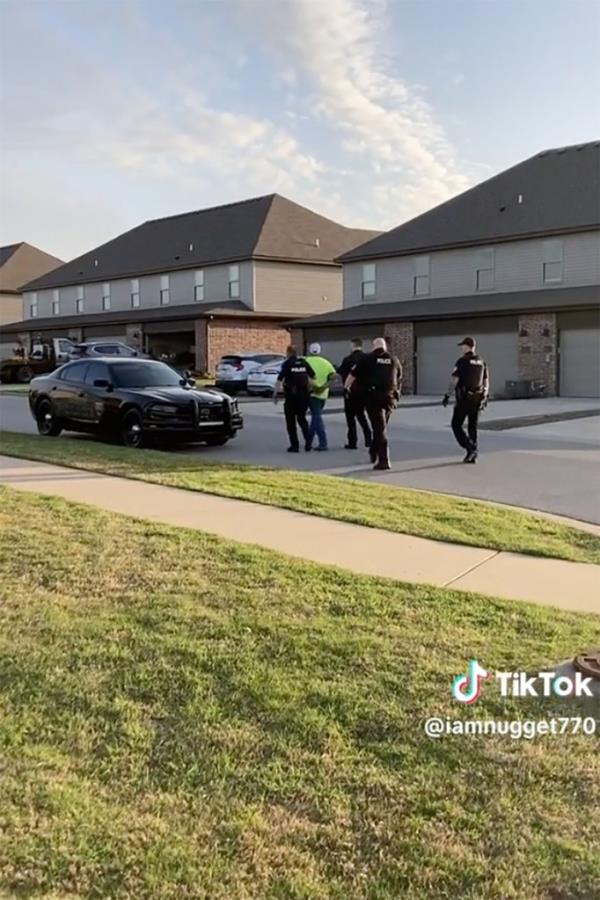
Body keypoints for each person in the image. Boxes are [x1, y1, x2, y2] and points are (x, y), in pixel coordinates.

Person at [345, 337, 402, 470]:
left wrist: (346, 388)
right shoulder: (394, 360)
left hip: (374, 398)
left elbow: (352, 375)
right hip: (389, 399)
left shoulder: (367, 359)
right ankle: (373, 450)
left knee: (379, 429)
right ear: (385, 347)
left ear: (373, 346)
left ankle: (384, 460)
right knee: (380, 427)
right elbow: (399, 379)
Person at [442, 336, 489, 464]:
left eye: (462, 346)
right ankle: (473, 454)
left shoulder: (462, 361)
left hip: (464, 398)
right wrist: (485, 397)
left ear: (467, 346)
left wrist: (447, 395)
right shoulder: (481, 362)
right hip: (477, 398)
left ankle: (470, 448)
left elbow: (454, 380)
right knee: (472, 427)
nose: (461, 348)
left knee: (456, 425)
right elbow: (486, 381)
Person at [273, 345, 315, 452]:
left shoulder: (287, 364)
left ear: (288, 352)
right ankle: (308, 442)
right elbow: (313, 376)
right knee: (302, 419)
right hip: (304, 396)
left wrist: (275, 394)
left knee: (291, 422)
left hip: (291, 396)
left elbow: (279, 380)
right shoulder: (303, 363)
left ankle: (294, 446)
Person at [337, 338, 372, 450]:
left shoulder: (347, 359)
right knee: (362, 416)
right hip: (364, 392)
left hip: (350, 393)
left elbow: (341, 373)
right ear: (361, 346)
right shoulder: (367, 359)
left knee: (350, 418)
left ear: (352, 346)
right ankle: (368, 439)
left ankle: (352, 442)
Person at [305, 343, 336, 451]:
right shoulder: (326, 363)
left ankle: (322, 442)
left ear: (309, 351)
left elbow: (304, 377)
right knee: (316, 417)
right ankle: (308, 441)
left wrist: (314, 386)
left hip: (311, 393)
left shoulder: (306, 361)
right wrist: (324, 387)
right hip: (323, 395)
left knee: (316, 418)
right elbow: (333, 376)